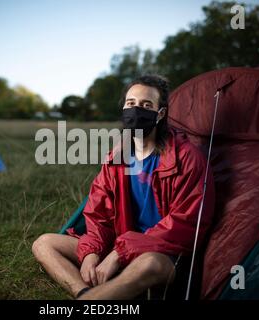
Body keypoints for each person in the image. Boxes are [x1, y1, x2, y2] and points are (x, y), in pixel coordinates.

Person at [32, 74, 215, 300]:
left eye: (146, 105)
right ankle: (85, 293)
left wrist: (120, 253)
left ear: (160, 114)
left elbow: (185, 224)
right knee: (44, 244)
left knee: (148, 264)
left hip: (162, 254)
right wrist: (91, 252)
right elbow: (99, 214)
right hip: (119, 246)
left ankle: (93, 301)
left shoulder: (187, 158)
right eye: (131, 104)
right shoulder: (117, 157)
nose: (136, 110)